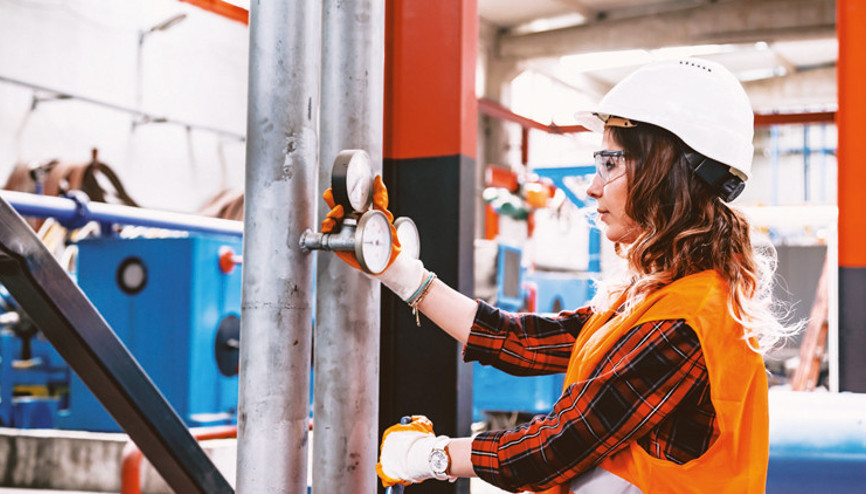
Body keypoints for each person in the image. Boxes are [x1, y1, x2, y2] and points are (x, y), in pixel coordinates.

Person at [322, 58, 798, 493]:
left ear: (664, 172)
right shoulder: (656, 299)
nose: (592, 187)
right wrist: (399, 270)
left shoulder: (685, 323)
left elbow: (556, 448)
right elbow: (522, 341)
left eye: (610, 163)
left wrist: (429, 455)